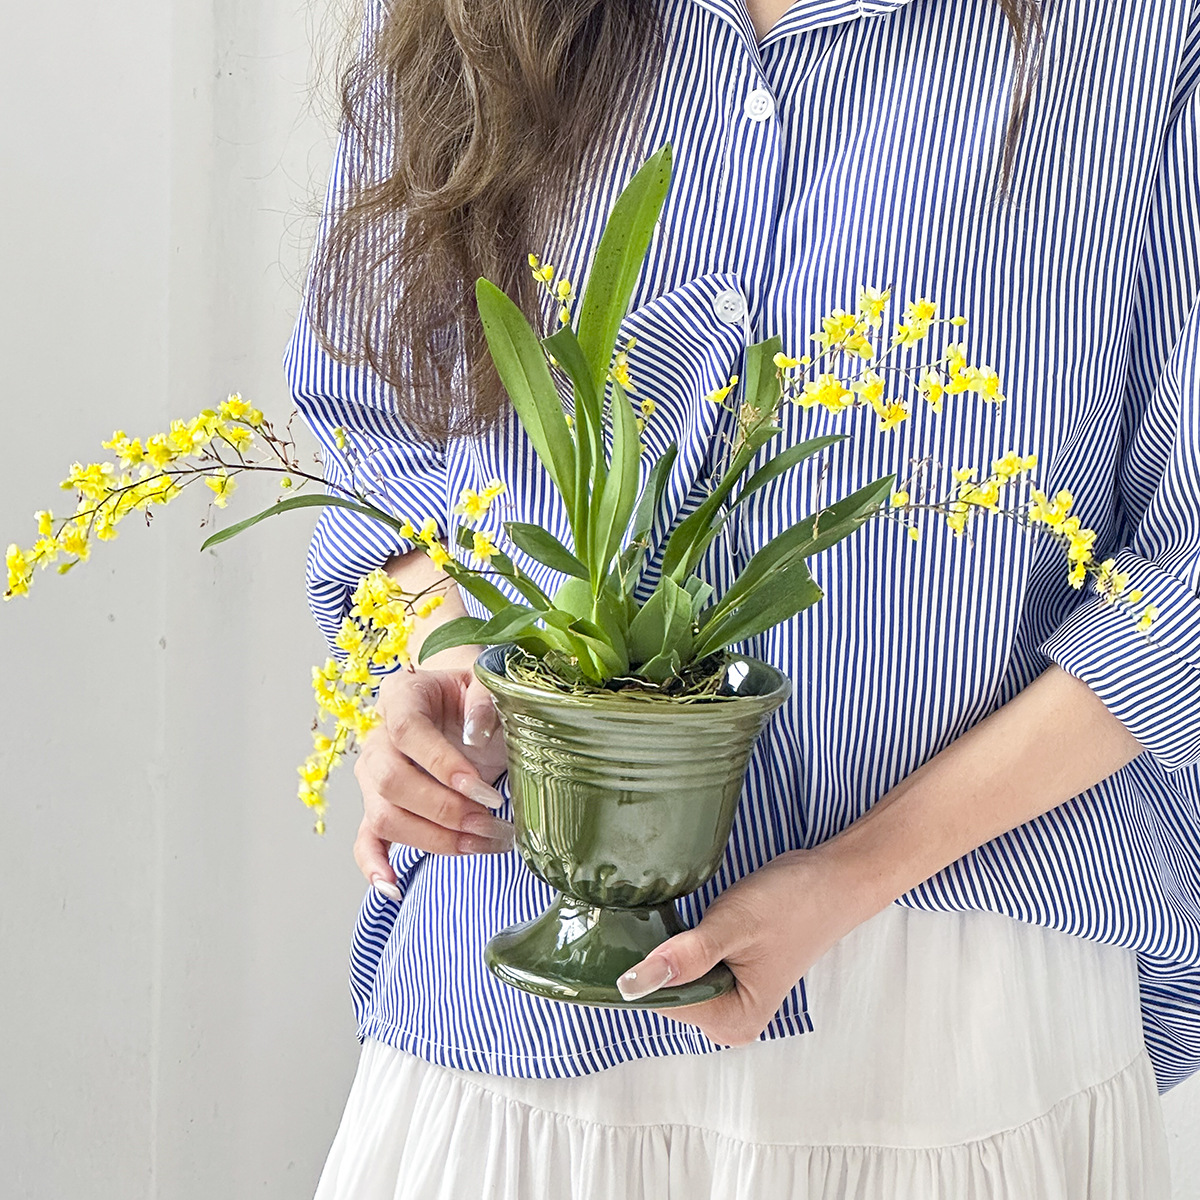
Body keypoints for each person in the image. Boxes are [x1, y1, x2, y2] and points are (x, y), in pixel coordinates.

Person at [288, 0, 1200, 1193]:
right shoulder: (471, 17)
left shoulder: (1139, 33)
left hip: (941, 994)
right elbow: (381, 432)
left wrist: (856, 873)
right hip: (523, 968)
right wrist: (444, 661)